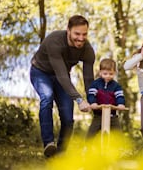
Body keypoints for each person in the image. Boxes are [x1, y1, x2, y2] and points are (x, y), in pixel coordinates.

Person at [30, 15, 95, 157]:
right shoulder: (55, 41)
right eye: (77, 34)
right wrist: (79, 99)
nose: (81, 38)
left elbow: (89, 78)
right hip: (41, 73)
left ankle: (61, 153)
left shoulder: (87, 50)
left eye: (84, 34)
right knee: (47, 98)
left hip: (62, 77)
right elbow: (61, 75)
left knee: (67, 117)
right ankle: (49, 144)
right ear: (68, 31)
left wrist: (92, 99)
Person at [86, 58, 126, 139]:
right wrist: (93, 103)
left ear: (114, 73)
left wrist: (120, 104)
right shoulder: (95, 84)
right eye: (105, 73)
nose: (108, 76)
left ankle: (121, 150)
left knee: (118, 134)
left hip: (112, 115)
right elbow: (91, 95)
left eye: (111, 74)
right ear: (100, 73)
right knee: (91, 134)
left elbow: (119, 96)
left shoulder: (116, 86)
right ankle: (87, 148)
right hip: (98, 115)